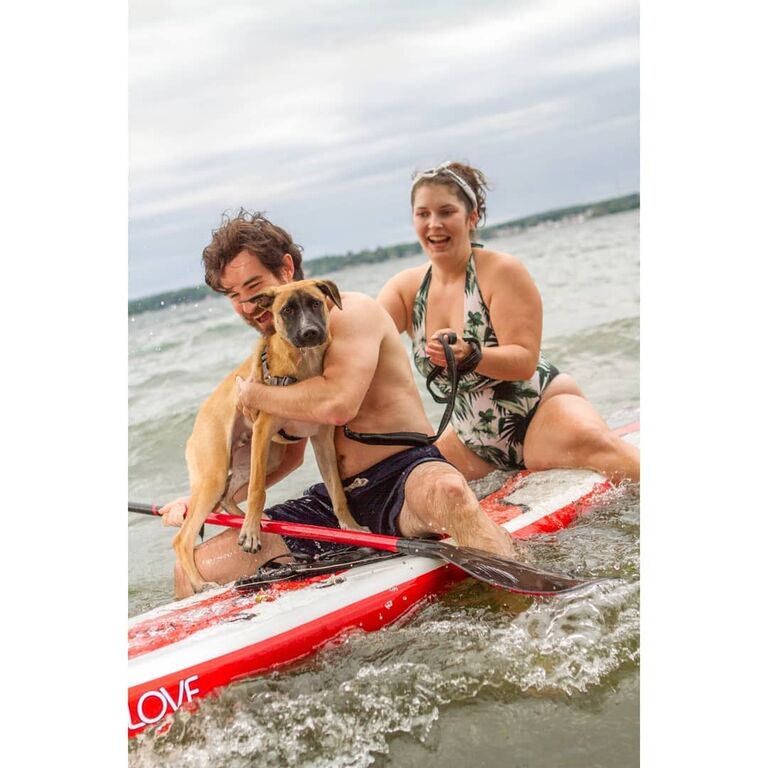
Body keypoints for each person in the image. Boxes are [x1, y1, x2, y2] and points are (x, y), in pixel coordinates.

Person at [161, 209, 517, 598]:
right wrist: (203, 497)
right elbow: (291, 454)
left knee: (449, 491)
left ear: (285, 268)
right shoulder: (282, 353)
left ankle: (523, 596)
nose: (248, 305)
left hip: (402, 475)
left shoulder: (352, 312)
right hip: (339, 502)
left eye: (253, 286)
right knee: (192, 565)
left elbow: (337, 405)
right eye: (234, 296)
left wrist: (254, 394)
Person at [377, 161, 640, 483]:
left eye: (446, 212)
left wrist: (470, 355)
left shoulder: (500, 271)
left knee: (599, 447)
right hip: (471, 440)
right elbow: (362, 340)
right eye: (423, 214)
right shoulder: (405, 290)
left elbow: (524, 361)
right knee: (402, 483)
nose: (434, 224)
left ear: (471, 217)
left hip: (540, 413)